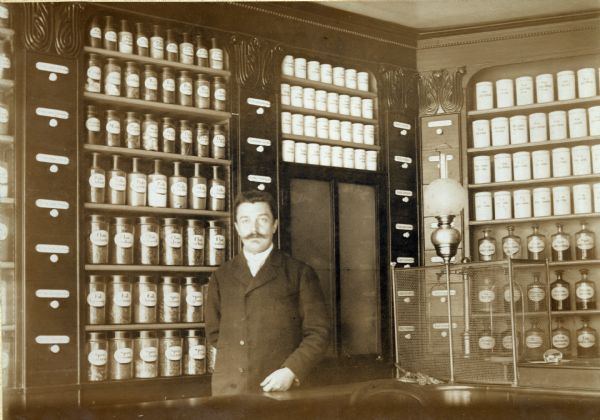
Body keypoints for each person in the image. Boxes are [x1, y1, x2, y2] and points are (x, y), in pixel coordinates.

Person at [205, 190, 330, 396]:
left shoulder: (300, 273)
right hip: (229, 391)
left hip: (279, 388)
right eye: (245, 221)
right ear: (236, 227)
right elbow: (214, 333)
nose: (254, 230)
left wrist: (291, 371)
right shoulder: (221, 275)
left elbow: (318, 333)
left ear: (274, 225)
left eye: (262, 220)